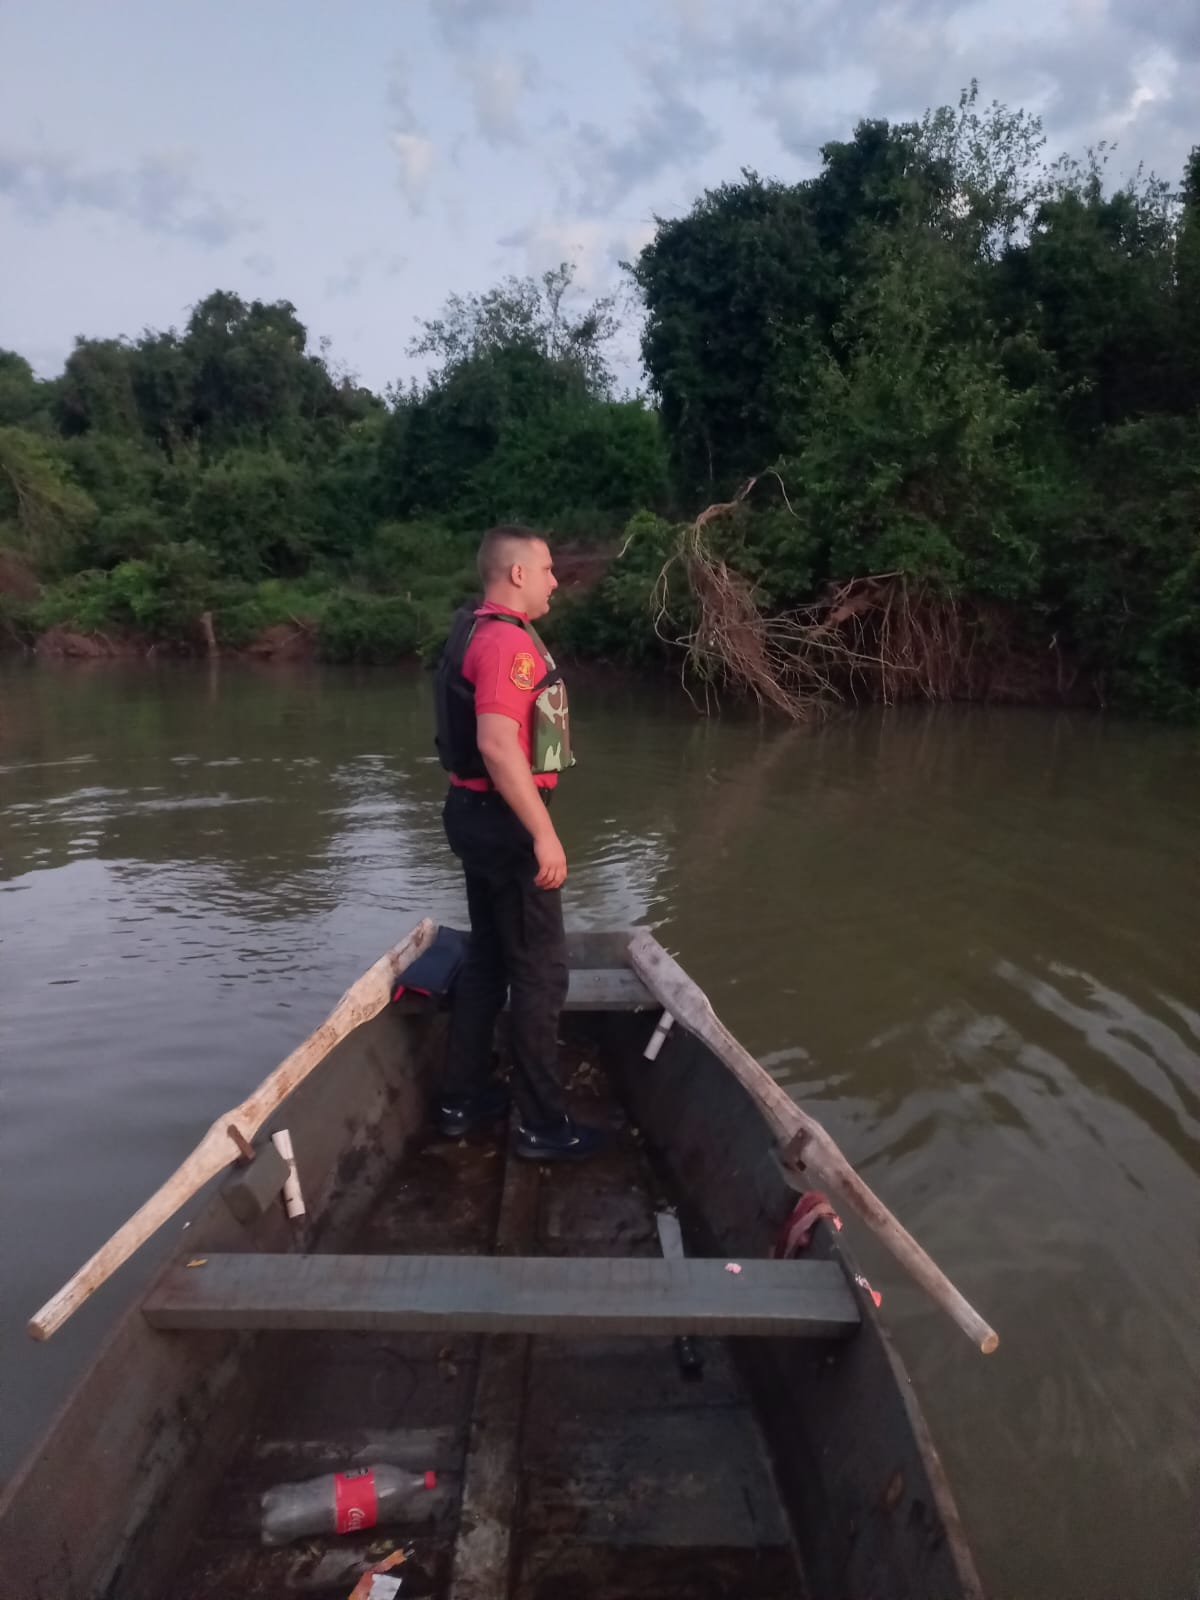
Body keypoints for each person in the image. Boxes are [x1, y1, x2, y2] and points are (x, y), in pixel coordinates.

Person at [432, 524, 604, 1161]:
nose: (557, 580)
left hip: (471, 814)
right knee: (541, 973)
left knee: (487, 958)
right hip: (506, 823)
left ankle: (461, 1099)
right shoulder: (509, 644)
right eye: (549, 569)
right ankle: (542, 1126)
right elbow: (498, 744)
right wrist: (544, 834)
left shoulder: (473, 630)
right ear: (518, 575)